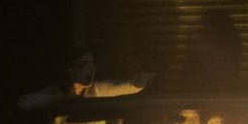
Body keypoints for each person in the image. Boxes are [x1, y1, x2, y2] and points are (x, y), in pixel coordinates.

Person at [18, 47, 152, 109]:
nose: (92, 69)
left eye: (93, 64)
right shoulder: (56, 92)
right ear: (71, 70)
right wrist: (60, 98)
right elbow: (24, 102)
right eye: (84, 65)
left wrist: (137, 83)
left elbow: (120, 86)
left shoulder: (96, 89)